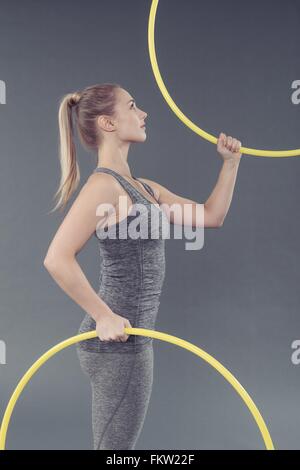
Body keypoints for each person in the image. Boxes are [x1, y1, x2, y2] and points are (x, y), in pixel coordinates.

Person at [43, 82, 242, 450]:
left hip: (134, 340)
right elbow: (56, 258)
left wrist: (230, 165)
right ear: (107, 123)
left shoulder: (143, 189)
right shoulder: (103, 187)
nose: (143, 113)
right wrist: (103, 317)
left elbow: (211, 216)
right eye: (132, 106)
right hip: (117, 344)